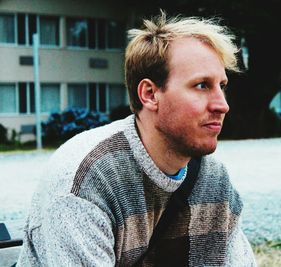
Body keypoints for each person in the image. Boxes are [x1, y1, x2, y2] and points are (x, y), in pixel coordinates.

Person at [17, 12, 256, 266]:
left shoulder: (212, 179)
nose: (222, 105)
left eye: (222, 86)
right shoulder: (85, 182)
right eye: (202, 86)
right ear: (150, 94)